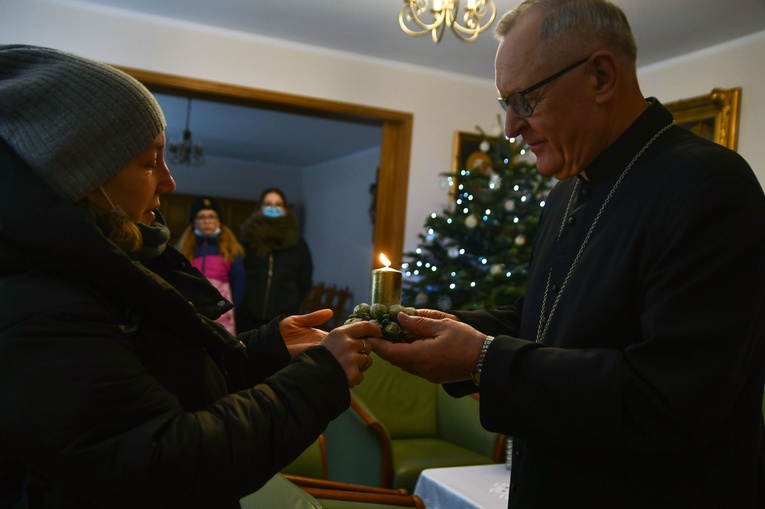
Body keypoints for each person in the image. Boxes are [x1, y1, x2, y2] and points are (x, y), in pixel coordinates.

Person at [368, 1, 765, 507]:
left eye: (525, 100)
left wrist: (482, 359)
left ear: (601, 77)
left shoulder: (710, 186)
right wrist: (428, 326)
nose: (510, 127)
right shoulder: (566, 190)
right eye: (504, 103)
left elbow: (669, 401)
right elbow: (543, 320)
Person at [0, 44, 379, 509]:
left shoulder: (111, 260)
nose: (169, 181)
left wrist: (266, 349)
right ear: (82, 172)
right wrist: (321, 379)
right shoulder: (35, 303)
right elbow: (167, 463)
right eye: (147, 161)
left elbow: (165, 382)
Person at [237, 188, 314, 331]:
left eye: (278, 204)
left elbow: (305, 278)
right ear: (260, 208)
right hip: (247, 316)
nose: (273, 208)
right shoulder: (248, 239)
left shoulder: (297, 242)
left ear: (285, 209)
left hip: (283, 318)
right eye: (268, 204)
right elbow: (236, 274)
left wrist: (290, 300)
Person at [176, 196, 246, 336]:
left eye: (211, 217)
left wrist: (230, 309)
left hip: (223, 312)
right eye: (201, 217)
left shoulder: (231, 250)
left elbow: (239, 284)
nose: (206, 221)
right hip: (193, 309)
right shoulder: (185, 250)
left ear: (219, 221)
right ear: (194, 222)